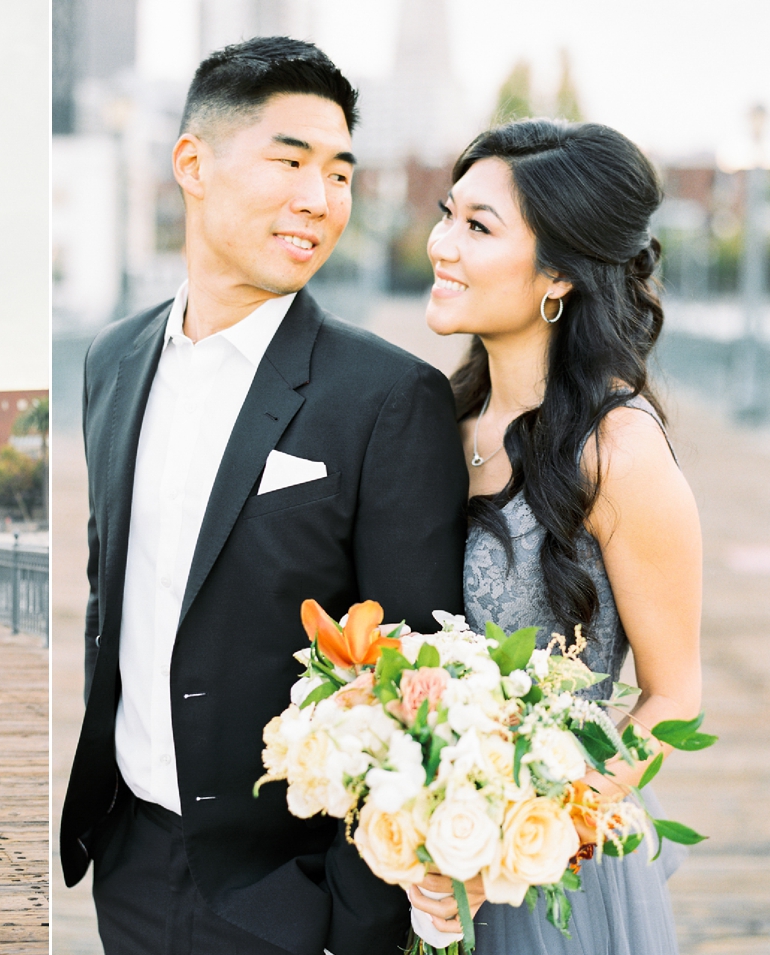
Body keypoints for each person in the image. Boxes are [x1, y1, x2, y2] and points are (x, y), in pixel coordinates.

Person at [60, 37, 468, 955]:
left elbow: (415, 682)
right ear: (193, 165)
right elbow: (113, 591)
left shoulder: (388, 397)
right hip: (128, 859)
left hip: (285, 894)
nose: (319, 201)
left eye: (339, 173)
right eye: (289, 162)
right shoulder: (111, 362)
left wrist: (350, 920)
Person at [407, 119, 701, 953]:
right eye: (447, 214)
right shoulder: (436, 420)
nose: (440, 245)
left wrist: (520, 837)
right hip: (426, 860)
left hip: (555, 871)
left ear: (559, 275)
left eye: (478, 227)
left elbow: (674, 695)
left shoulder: (618, 451)